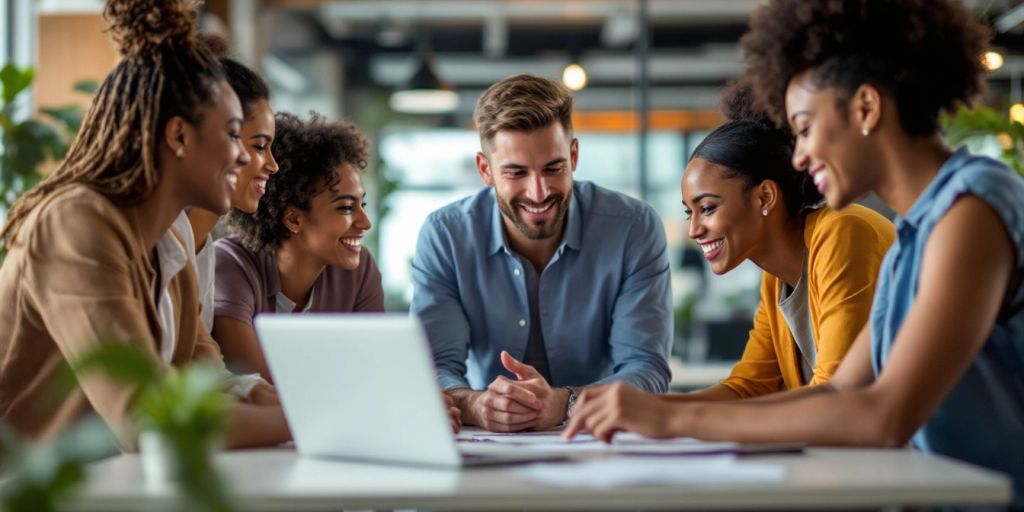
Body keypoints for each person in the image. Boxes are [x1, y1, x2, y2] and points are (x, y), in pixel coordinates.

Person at [565, 0, 1024, 505]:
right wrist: (644, 415)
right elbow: (838, 393)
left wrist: (670, 417)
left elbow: (883, 416)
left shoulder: (971, 209)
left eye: (804, 128)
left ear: (867, 108)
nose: (799, 156)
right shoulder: (914, 237)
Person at [0, 0, 290, 450]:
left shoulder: (169, 240)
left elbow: (202, 379)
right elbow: (147, 421)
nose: (242, 156)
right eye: (234, 134)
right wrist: (316, 422)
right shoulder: (75, 223)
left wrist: (264, 395)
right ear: (178, 135)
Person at [411, 74, 673, 433]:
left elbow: (647, 367)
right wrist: (476, 405)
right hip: (488, 445)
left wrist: (565, 404)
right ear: (485, 170)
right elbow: (433, 366)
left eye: (554, 168)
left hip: (599, 441)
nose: (538, 192)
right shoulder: (445, 236)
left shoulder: (633, 228)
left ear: (574, 155)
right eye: (516, 173)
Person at [676, 82, 894, 401]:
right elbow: (748, 387)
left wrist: (668, 418)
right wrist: (643, 411)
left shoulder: (843, 232)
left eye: (707, 208)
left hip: (922, 448)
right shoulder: (775, 277)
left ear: (765, 196)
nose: (694, 229)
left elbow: (837, 395)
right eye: (689, 213)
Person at [214, 112, 384, 383]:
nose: (365, 223)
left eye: (361, 205)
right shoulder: (230, 265)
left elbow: (375, 372)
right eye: (346, 208)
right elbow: (253, 383)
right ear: (294, 218)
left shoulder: (360, 270)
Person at [173, 36, 279, 332]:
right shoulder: (150, 242)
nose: (273, 165)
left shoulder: (203, 248)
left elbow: (199, 358)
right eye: (259, 146)